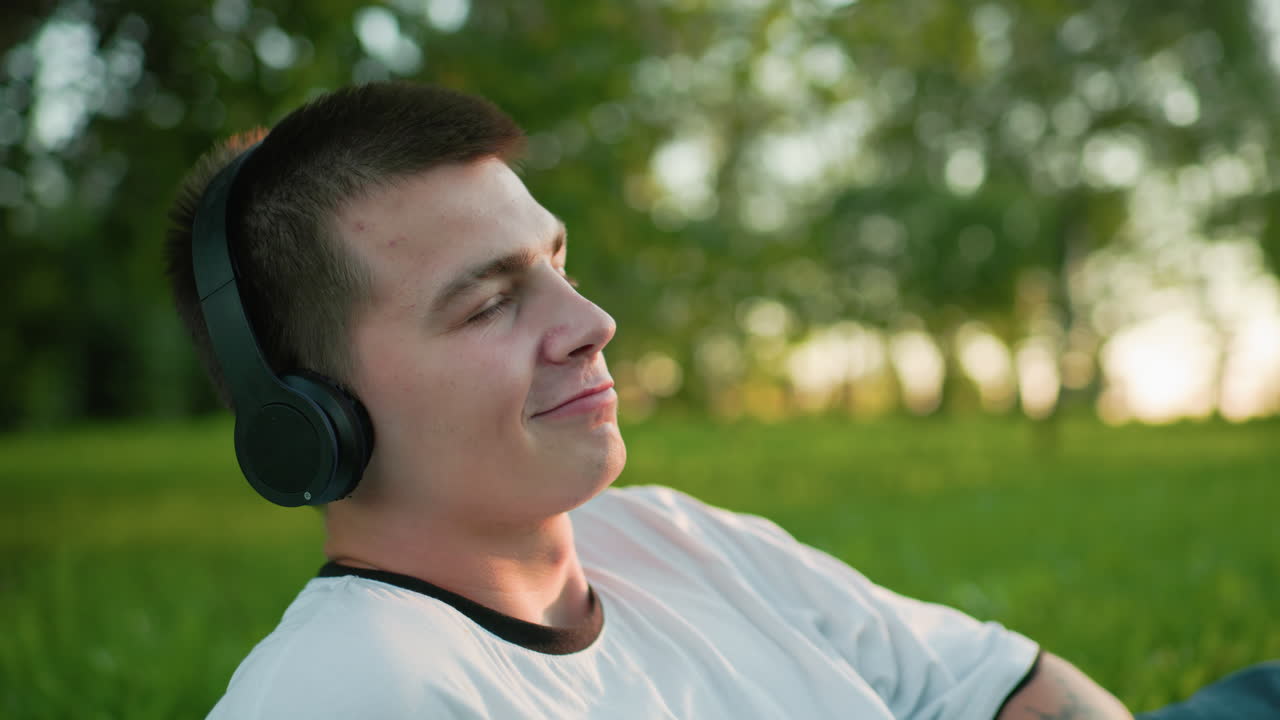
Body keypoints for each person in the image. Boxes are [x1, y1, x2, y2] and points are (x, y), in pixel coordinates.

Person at [167, 82, 1136, 719]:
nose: (591, 322)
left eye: (557, 265)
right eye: (491, 304)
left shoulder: (669, 538)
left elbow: (1011, 692)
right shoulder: (361, 688)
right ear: (303, 424)